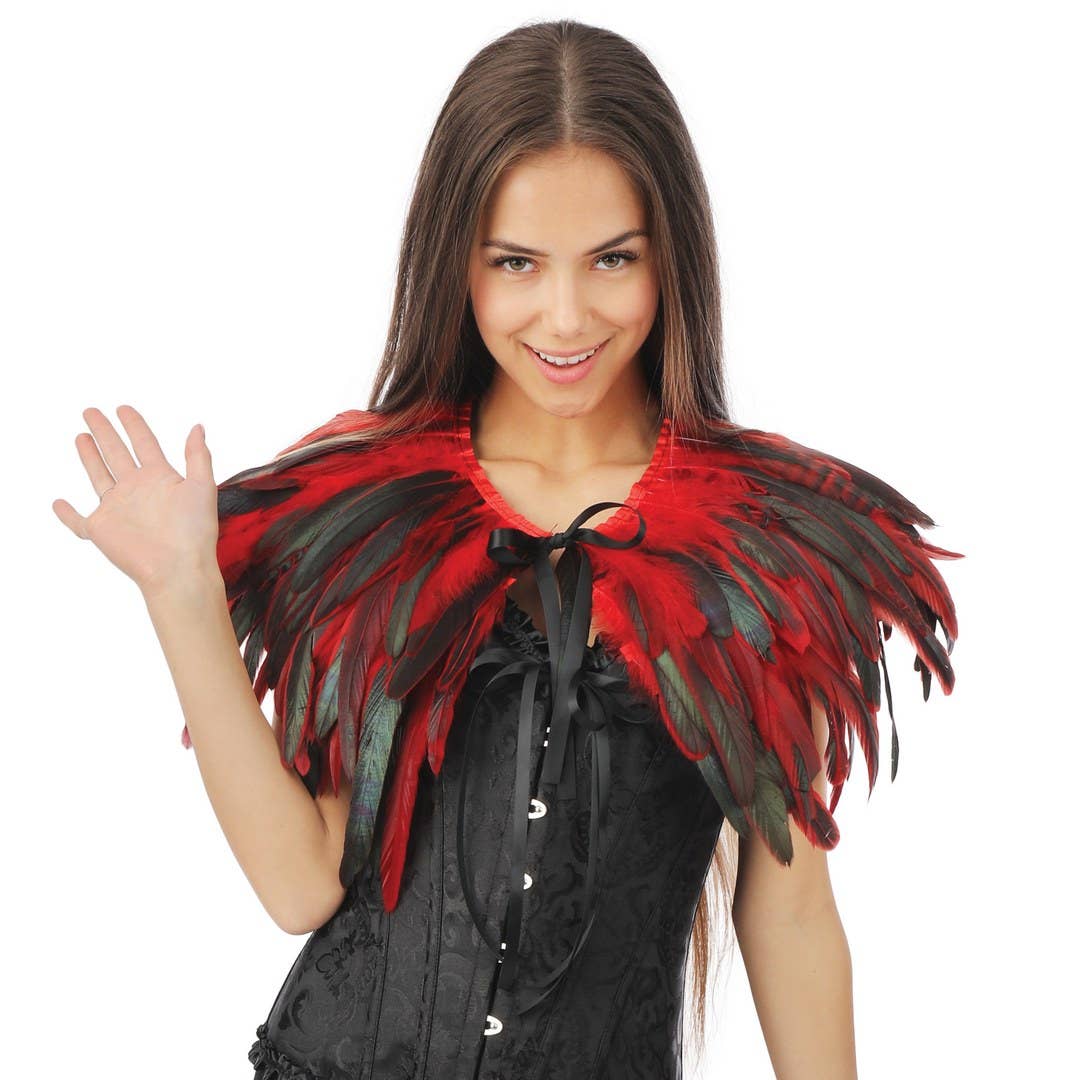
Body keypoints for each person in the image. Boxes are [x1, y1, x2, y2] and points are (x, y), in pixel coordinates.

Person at [52, 19, 961, 1080]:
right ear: (458, 263)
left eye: (612, 258)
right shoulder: (373, 519)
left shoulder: (759, 547)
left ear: (670, 258)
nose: (565, 317)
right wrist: (179, 591)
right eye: (517, 263)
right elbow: (300, 884)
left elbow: (791, 914)